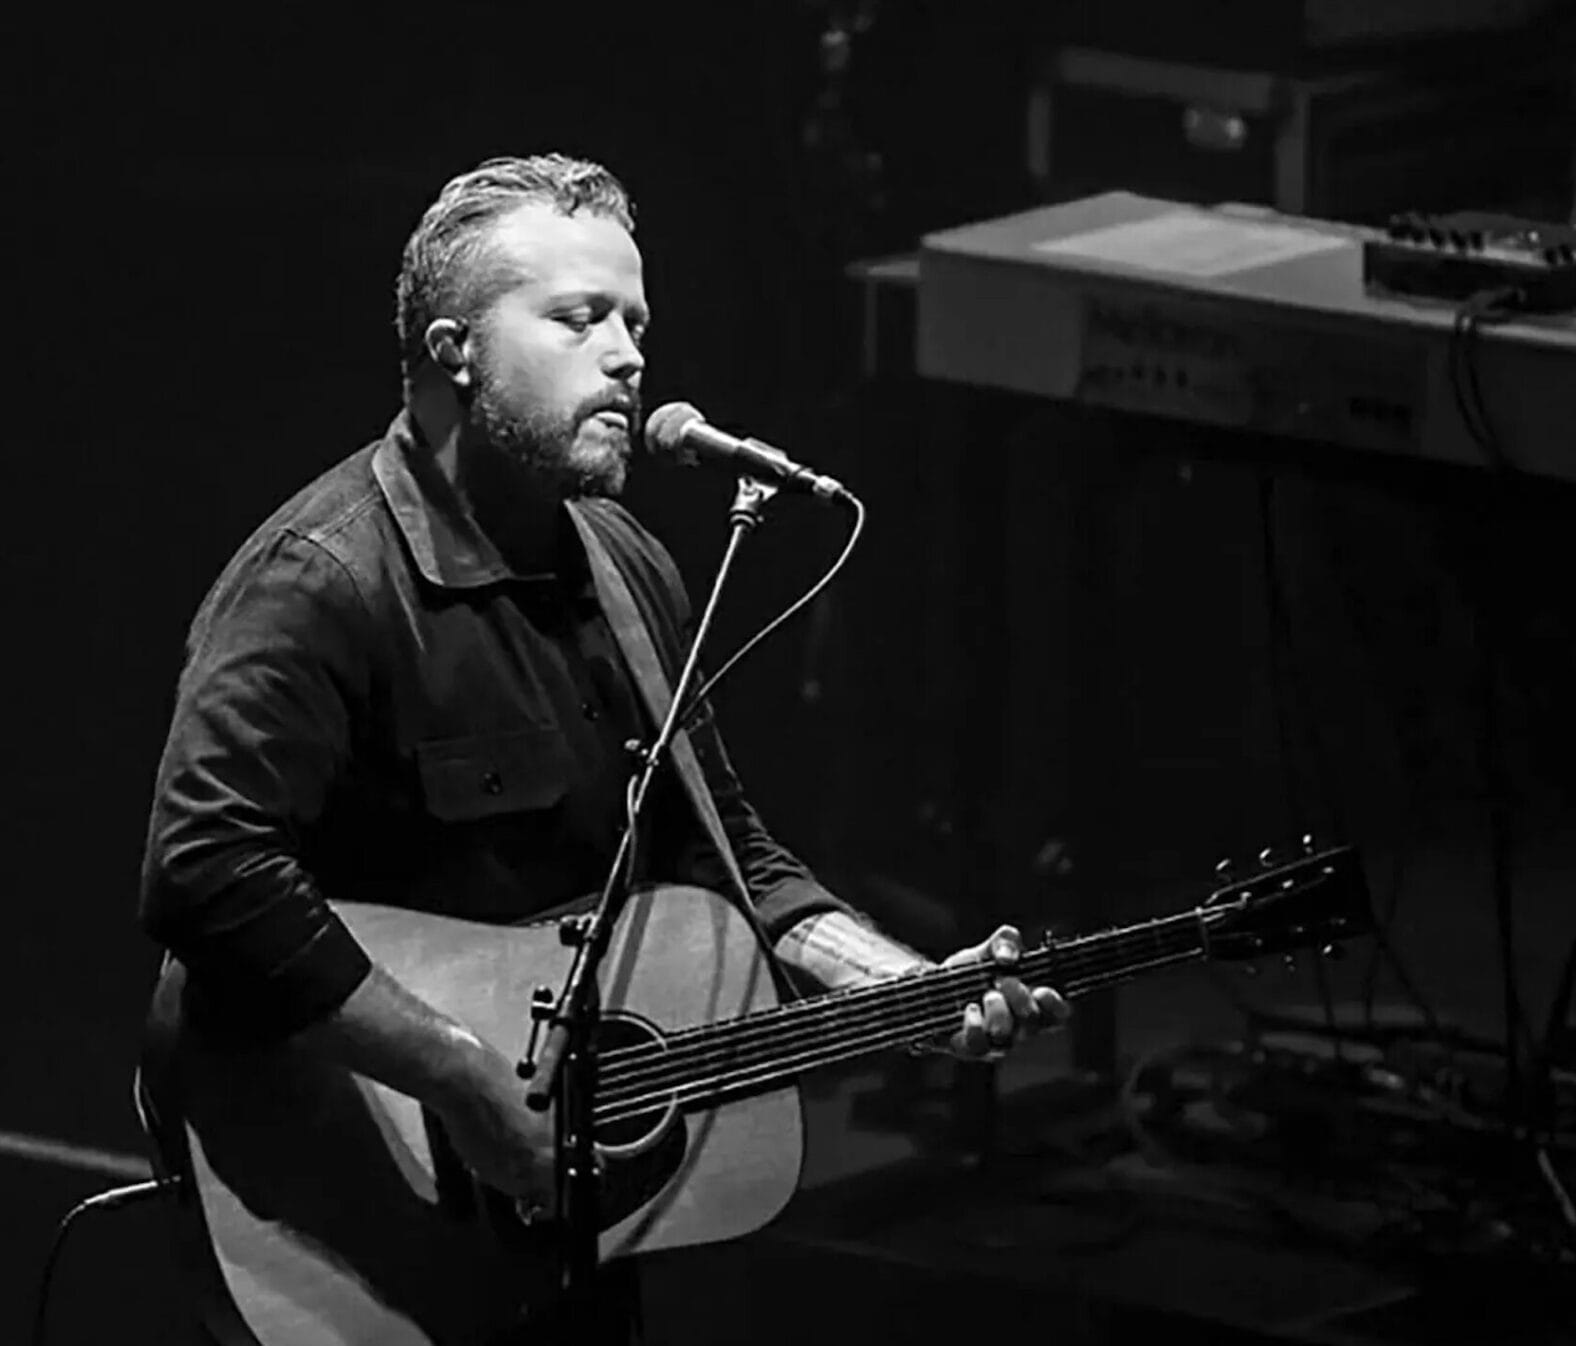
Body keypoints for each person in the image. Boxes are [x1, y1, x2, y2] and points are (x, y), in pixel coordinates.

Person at [137, 152, 1069, 1345]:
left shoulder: (627, 567)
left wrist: (896, 986)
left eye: (637, 321)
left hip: (555, 1226)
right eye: (579, 318)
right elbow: (204, 875)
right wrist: (464, 1076)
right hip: (354, 1198)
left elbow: (724, 848)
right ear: (453, 348)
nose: (629, 355)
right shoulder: (324, 581)